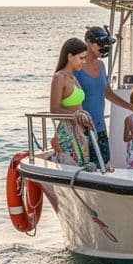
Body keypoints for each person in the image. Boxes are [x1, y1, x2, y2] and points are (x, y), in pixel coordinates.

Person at [75, 25, 133, 165]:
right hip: (82, 129)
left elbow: (107, 93)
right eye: (101, 44)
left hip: (99, 127)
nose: (105, 48)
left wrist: (131, 107)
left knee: (104, 161)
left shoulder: (101, 66)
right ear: (89, 43)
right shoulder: (77, 67)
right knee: (87, 165)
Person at [49, 37, 96, 167]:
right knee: (72, 167)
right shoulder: (60, 77)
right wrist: (77, 115)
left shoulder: (73, 78)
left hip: (79, 131)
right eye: (81, 58)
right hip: (67, 132)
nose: (84, 61)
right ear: (70, 56)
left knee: (82, 166)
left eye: (85, 58)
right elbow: (54, 109)